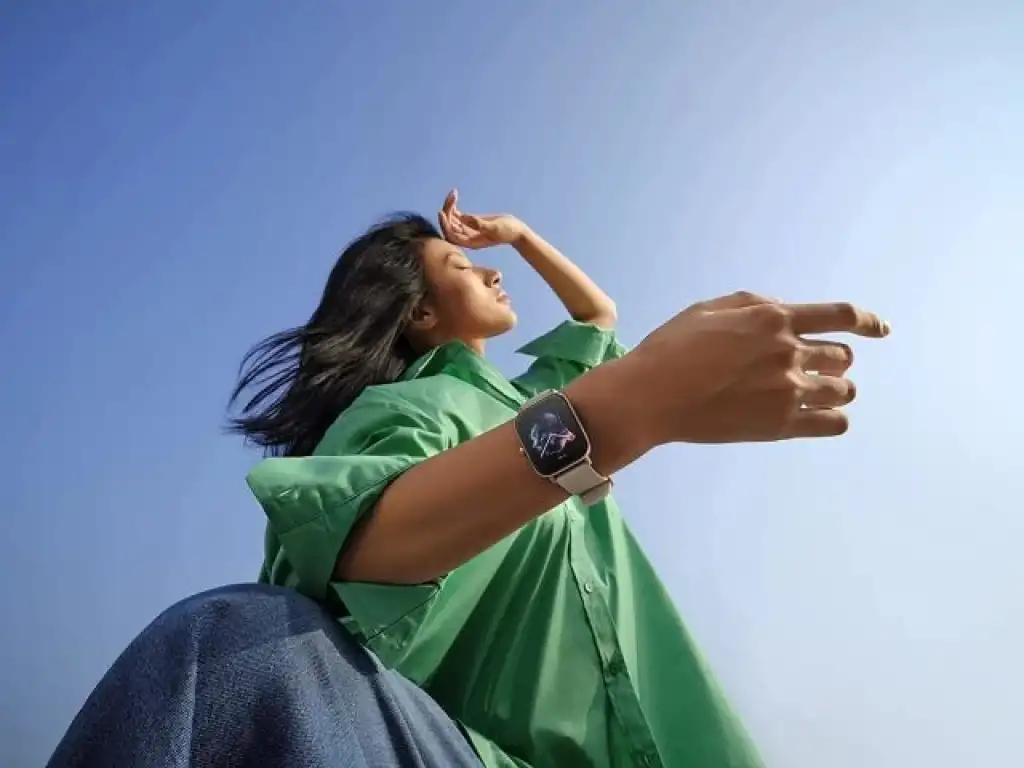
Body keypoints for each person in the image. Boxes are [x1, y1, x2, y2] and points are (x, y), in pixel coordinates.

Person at [47, 190, 889, 768]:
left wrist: (517, 234)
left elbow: (596, 316)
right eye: (461, 266)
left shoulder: (532, 398)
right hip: (469, 754)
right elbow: (363, 552)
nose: (491, 272)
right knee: (232, 640)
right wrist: (625, 410)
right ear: (419, 312)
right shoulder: (409, 409)